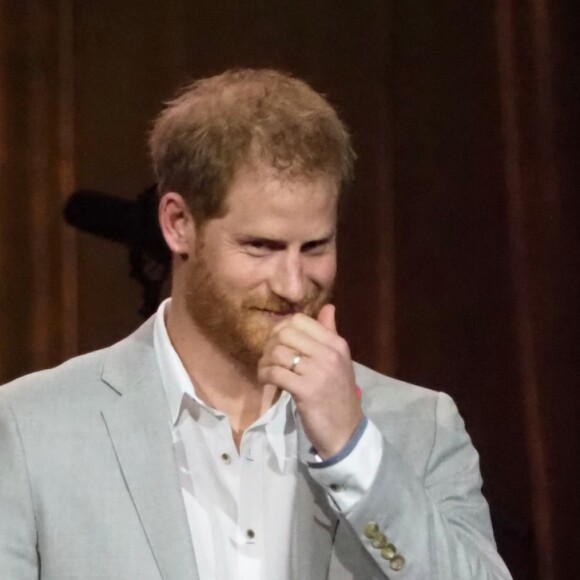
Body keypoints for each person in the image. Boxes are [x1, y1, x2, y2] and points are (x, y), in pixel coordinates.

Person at [0, 69, 512, 579]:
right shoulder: (30, 428)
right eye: (261, 247)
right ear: (178, 225)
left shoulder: (418, 427)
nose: (293, 285)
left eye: (315, 247)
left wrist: (354, 453)